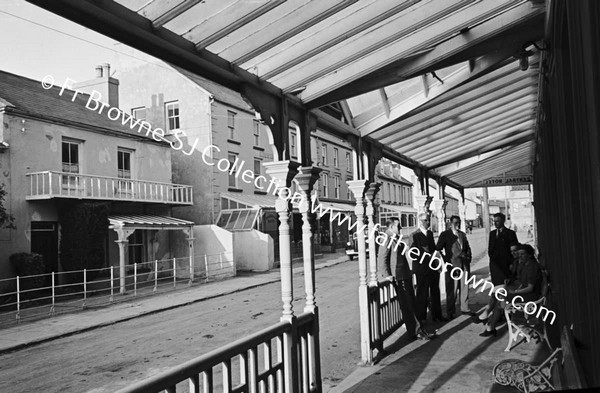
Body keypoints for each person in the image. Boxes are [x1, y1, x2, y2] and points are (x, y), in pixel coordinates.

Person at [377, 217, 433, 340]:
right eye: (398, 226)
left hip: (405, 274)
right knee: (408, 305)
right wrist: (387, 275)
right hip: (398, 276)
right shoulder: (386, 237)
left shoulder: (396, 237)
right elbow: (382, 257)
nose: (400, 228)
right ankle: (416, 331)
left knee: (411, 303)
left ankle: (416, 330)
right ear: (391, 227)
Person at [478, 244, 543, 336]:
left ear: (529, 254)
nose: (520, 256)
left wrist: (515, 292)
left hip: (530, 296)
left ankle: (491, 324)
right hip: (522, 292)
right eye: (519, 254)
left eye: (523, 254)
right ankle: (491, 323)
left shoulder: (532, 267)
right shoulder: (526, 264)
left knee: (501, 297)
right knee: (499, 295)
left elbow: (530, 288)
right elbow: (521, 280)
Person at [410, 213, 446, 323]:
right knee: (422, 292)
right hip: (421, 268)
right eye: (425, 220)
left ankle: (437, 315)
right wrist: (426, 256)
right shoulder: (414, 235)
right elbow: (413, 253)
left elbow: (433, 249)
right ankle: (421, 318)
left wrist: (438, 259)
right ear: (420, 221)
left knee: (435, 291)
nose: (428, 222)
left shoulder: (429, 234)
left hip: (432, 267)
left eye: (428, 220)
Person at [436, 215, 473, 319]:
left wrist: (469, 258)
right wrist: (446, 260)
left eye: (459, 222)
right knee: (452, 288)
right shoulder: (445, 235)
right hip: (452, 266)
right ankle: (450, 312)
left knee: (464, 287)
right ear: (450, 223)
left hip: (464, 265)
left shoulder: (462, 234)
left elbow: (467, 248)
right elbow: (438, 248)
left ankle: (465, 308)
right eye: (455, 222)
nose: (458, 225)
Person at [488, 213, 518, 286]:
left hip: (506, 264)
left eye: (497, 221)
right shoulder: (492, 233)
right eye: (494, 221)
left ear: (503, 221)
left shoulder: (510, 233)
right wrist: (492, 260)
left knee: (506, 284)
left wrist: (512, 263)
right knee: (496, 285)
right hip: (495, 265)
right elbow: (490, 248)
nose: (495, 223)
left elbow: (514, 249)